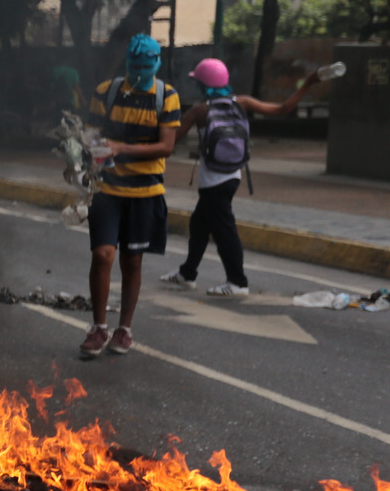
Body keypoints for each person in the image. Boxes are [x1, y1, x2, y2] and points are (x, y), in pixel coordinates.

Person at [161, 58, 321, 297]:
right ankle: (187, 274)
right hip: (234, 175)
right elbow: (283, 109)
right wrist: (308, 83)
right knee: (199, 225)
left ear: (203, 85)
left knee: (224, 231)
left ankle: (237, 282)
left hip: (212, 181)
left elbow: (169, 143)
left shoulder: (199, 110)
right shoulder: (243, 102)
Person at [80, 34, 181, 358]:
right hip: (107, 189)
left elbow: (167, 146)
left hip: (145, 191)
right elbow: (91, 133)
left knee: (132, 261)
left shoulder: (166, 97)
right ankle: (98, 327)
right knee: (102, 255)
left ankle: (124, 329)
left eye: (145, 65)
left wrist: (123, 148)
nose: (139, 71)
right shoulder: (106, 92)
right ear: (127, 63)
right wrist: (87, 153)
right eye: (134, 65)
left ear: (156, 63)